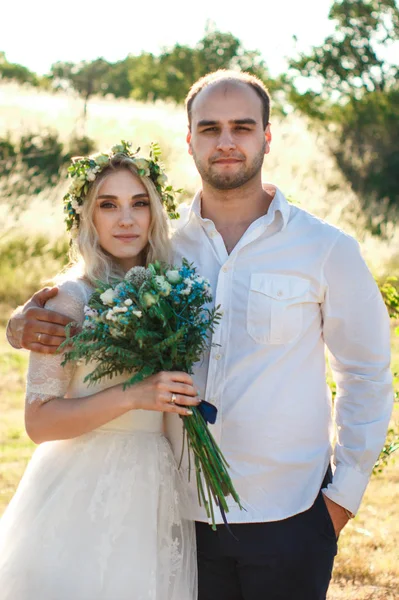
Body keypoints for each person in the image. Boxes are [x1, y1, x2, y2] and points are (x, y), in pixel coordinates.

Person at [7, 70, 393, 600]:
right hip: (175, 518)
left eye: (243, 126)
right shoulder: (159, 248)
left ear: (267, 135)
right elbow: (89, 290)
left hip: (291, 516)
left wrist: (339, 502)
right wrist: (23, 323)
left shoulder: (324, 248)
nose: (227, 141)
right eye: (210, 128)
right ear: (190, 140)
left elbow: (367, 373)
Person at [0, 145, 199, 600]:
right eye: (108, 205)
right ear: (86, 217)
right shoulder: (68, 299)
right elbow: (39, 422)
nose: (125, 219)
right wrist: (134, 395)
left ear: (155, 212)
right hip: (83, 488)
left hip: (156, 484)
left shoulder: (175, 288)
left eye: (139, 203)